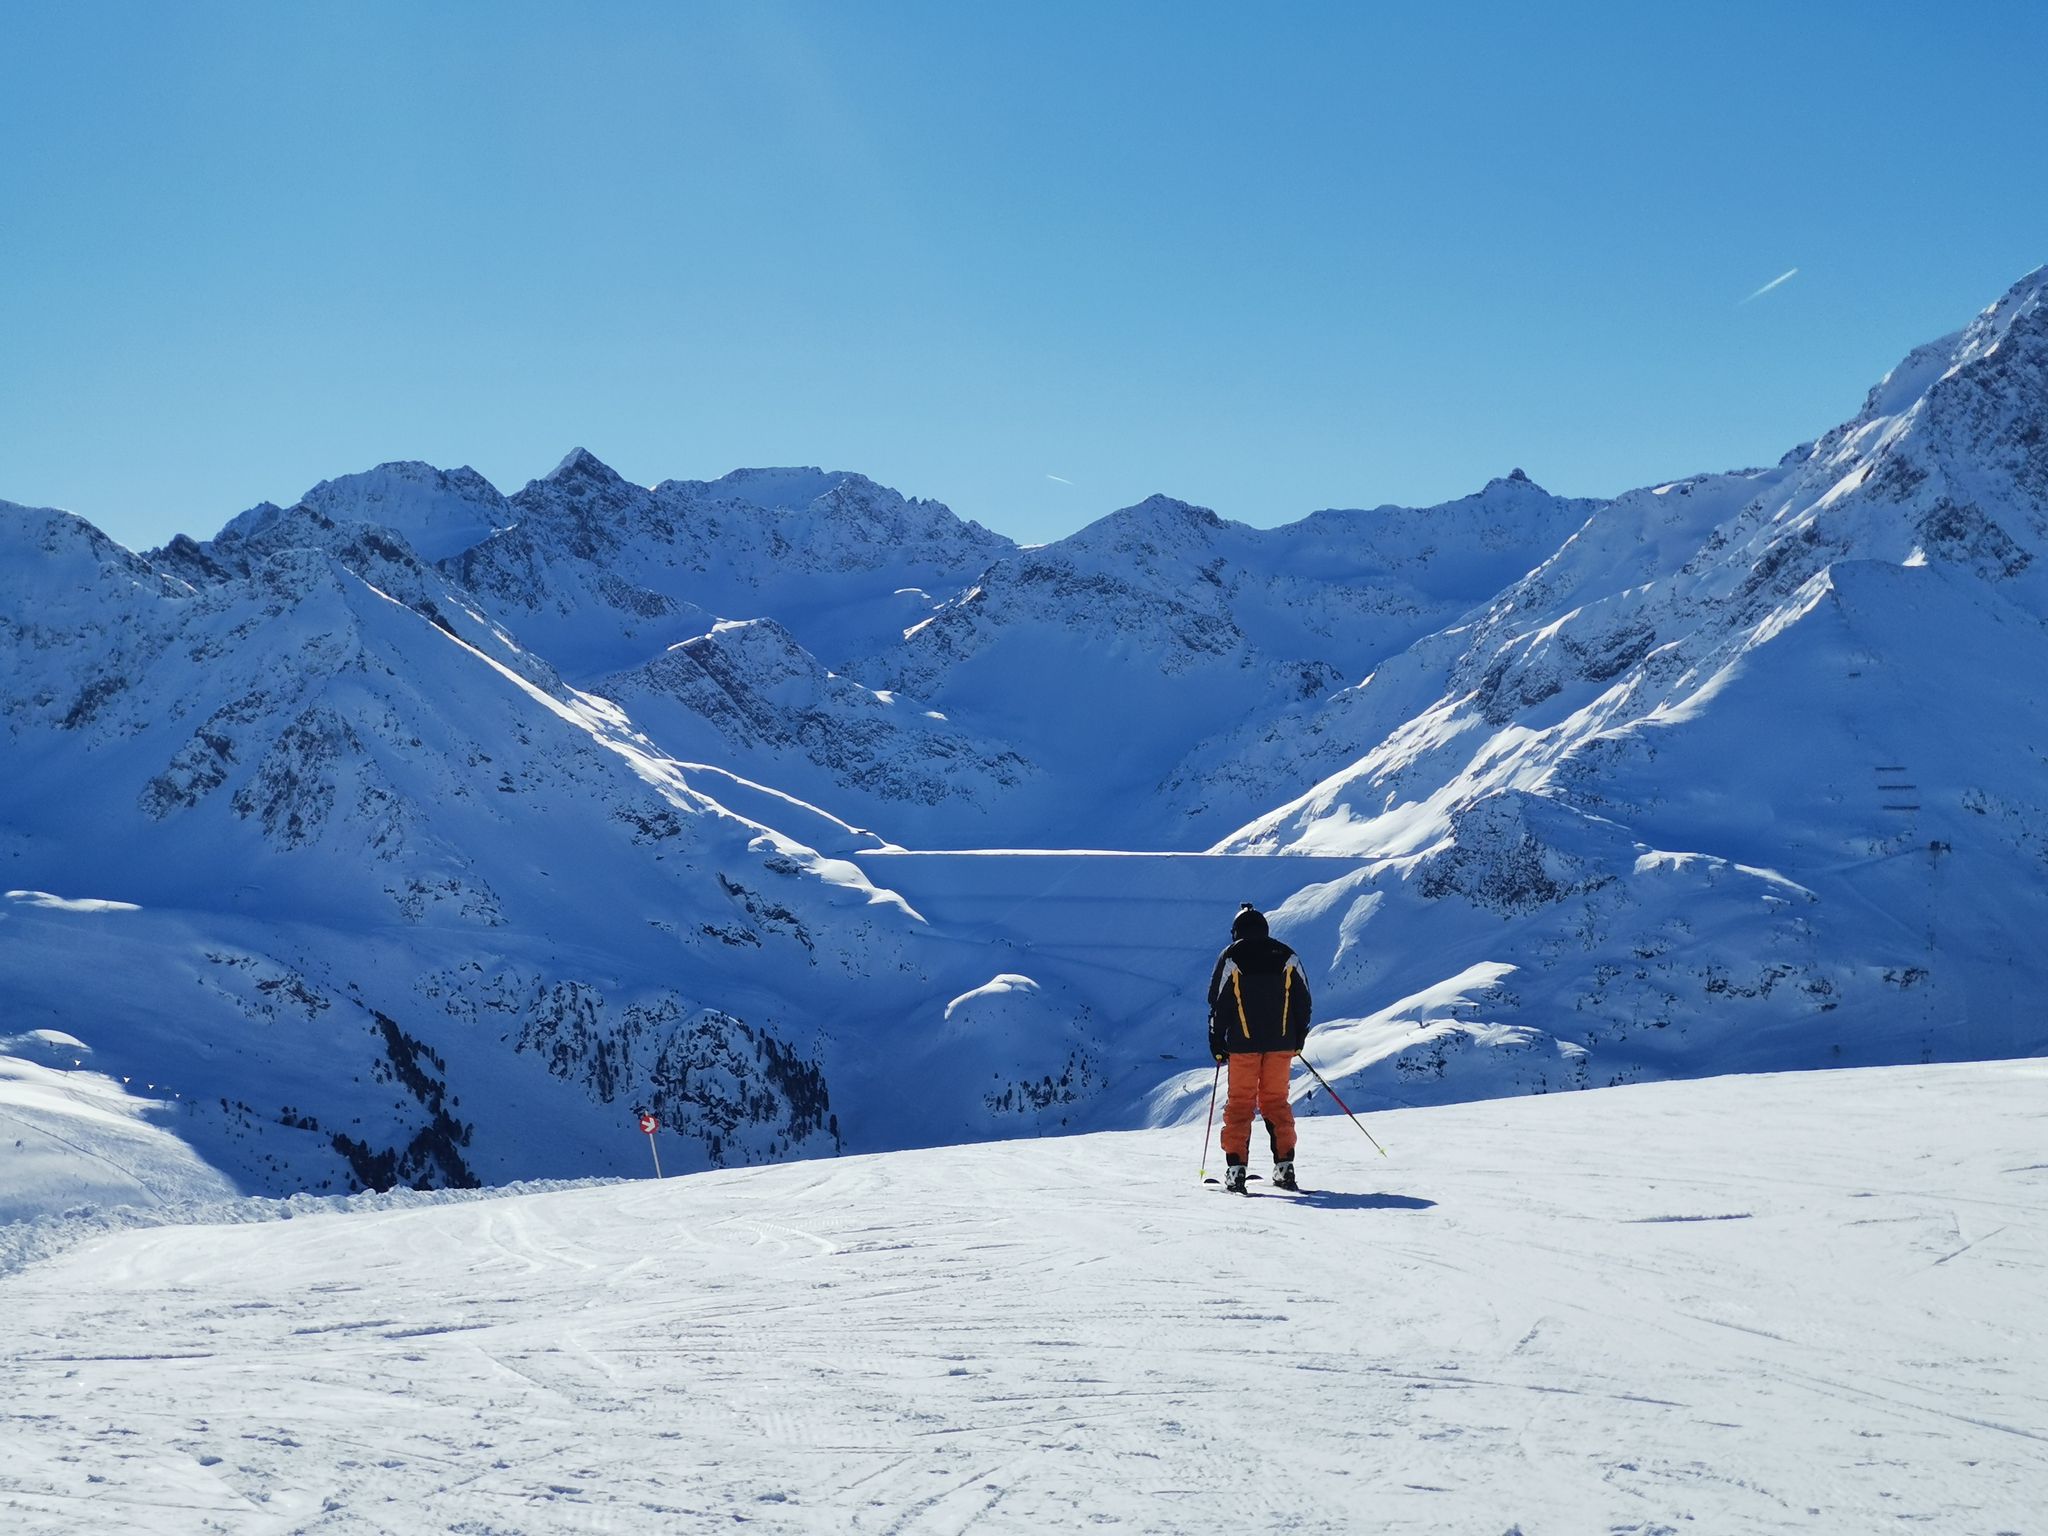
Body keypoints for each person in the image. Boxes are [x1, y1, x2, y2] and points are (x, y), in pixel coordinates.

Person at [1206, 903, 1312, 1193]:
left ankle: (1236, 1170)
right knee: (1276, 1103)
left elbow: (1218, 1002)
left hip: (1243, 1045)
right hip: (1281, 1044)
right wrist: (1298, 1037)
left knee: (1240, 1104)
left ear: (1236, 931)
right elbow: (1304, 1000)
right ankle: (1285, 1166)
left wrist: (1217, 1041)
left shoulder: (1231, 956)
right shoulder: (1286, 955)